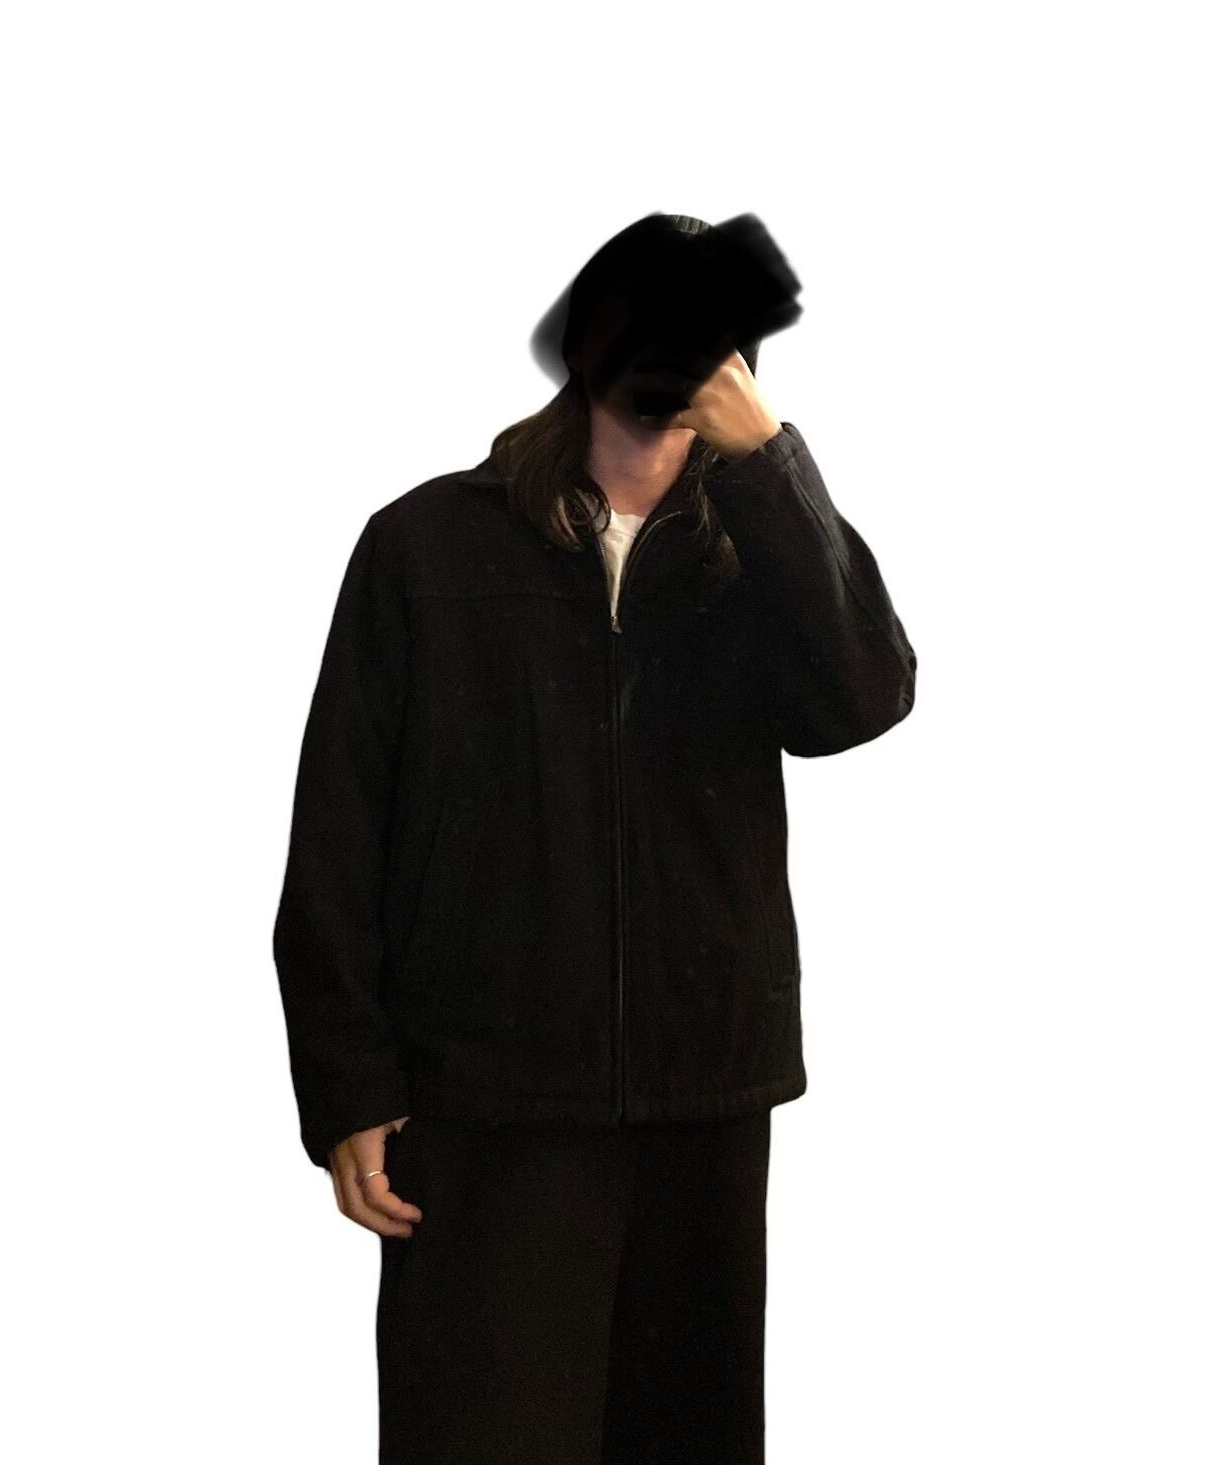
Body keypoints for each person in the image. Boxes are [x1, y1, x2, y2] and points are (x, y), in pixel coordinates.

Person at [272, 213, 917, 1463]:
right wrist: (347, 1079)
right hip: (484, 1101)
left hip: (702, 1097)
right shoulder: (426, 545)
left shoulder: (755, 552)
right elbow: (339, 827)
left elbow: (860, 700)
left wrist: (774, 462)